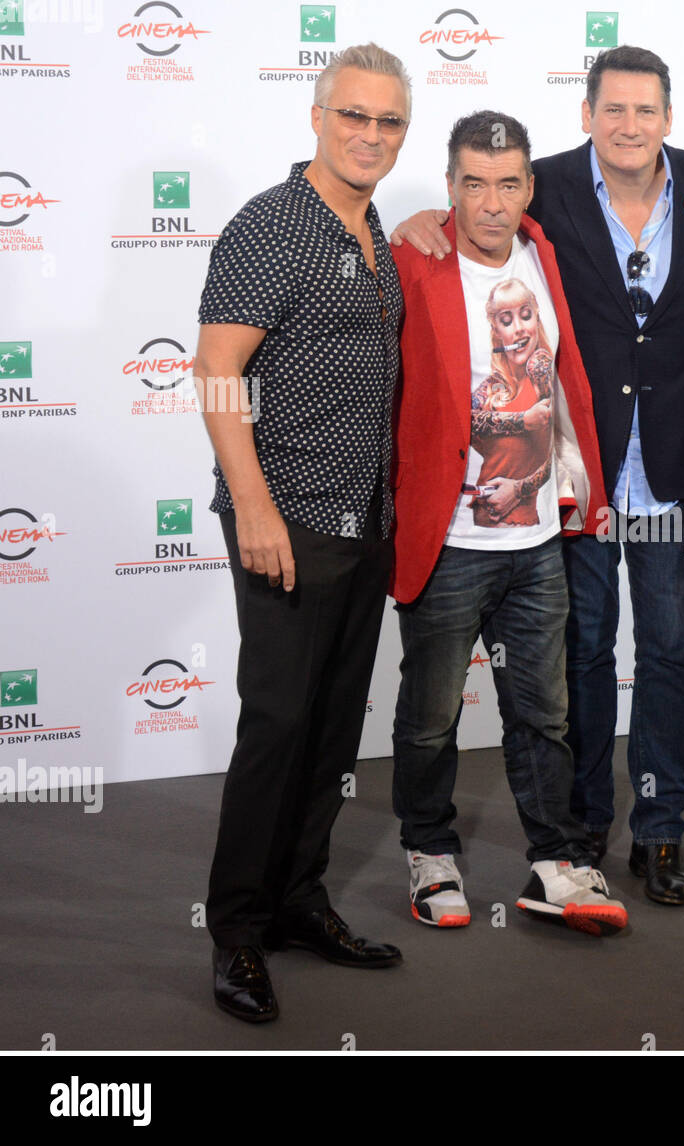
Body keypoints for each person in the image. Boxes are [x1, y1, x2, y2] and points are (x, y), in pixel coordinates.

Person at [392, 46, 684, 907]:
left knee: (667, 654)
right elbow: (468, 221)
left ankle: (659, 832)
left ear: (669, 115)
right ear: (586, 113)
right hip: (577, 483)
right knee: (581, 656)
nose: (630, 126)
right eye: (613, 109)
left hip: (672, 469)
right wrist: (418, 223)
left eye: (646, 110)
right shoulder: (539, 185)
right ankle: (583, 829)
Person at [195, 43, 411, 1024]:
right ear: (318, 118)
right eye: (354, 116)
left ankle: (296, 901)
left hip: (363, 521)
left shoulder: (378, 239)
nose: (370, 136)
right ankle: (237, 934)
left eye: (388, 122)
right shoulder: (270, 227)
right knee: (277, 731)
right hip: (285, 523)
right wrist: (249, 504)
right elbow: (216, 372)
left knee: (329, 737)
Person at [389, 110, 627, 937]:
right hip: (450, 540)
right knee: (430, 715)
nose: (491, 203)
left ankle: (555, 860)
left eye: (508, 183)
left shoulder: (541, 252)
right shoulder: (413, 261)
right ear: (449, 186)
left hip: (537, 542)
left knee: (544, 714)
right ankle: (429, 852)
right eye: (473, 184)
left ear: (530, 186)